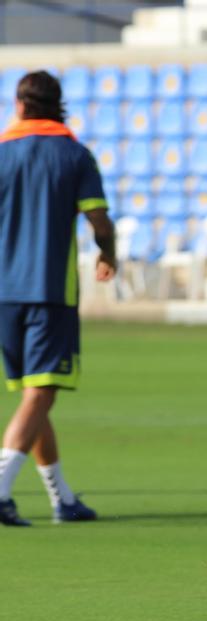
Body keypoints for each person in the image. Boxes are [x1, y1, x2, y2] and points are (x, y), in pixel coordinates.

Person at [0, 71, 117, 526]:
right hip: (49, 290)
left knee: (36, 394)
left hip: (4, 293)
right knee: (42, 392)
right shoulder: (75, 155)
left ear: (21, 105)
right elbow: (100, 221)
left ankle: (62, 498)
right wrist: (108, 254)